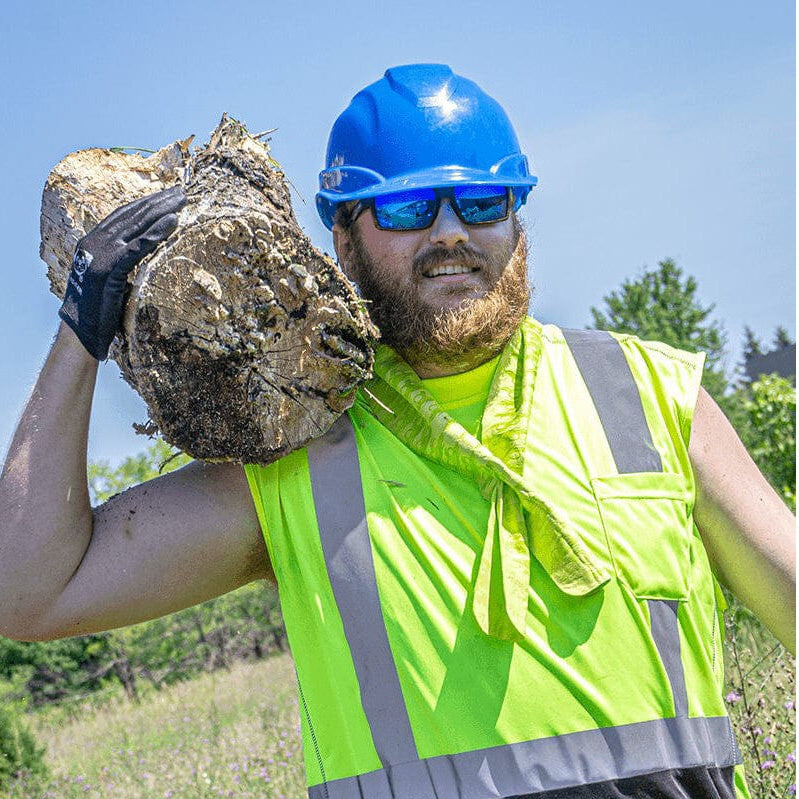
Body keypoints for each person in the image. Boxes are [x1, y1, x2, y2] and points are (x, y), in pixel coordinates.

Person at [0, 64, 794, 799]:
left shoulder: (650, 393)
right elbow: (29, 593)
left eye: (481, 202)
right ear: (342, 238)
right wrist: (81, 330)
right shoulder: (292, 457)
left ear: (515, 218)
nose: (450, 231)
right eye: (409, 207)